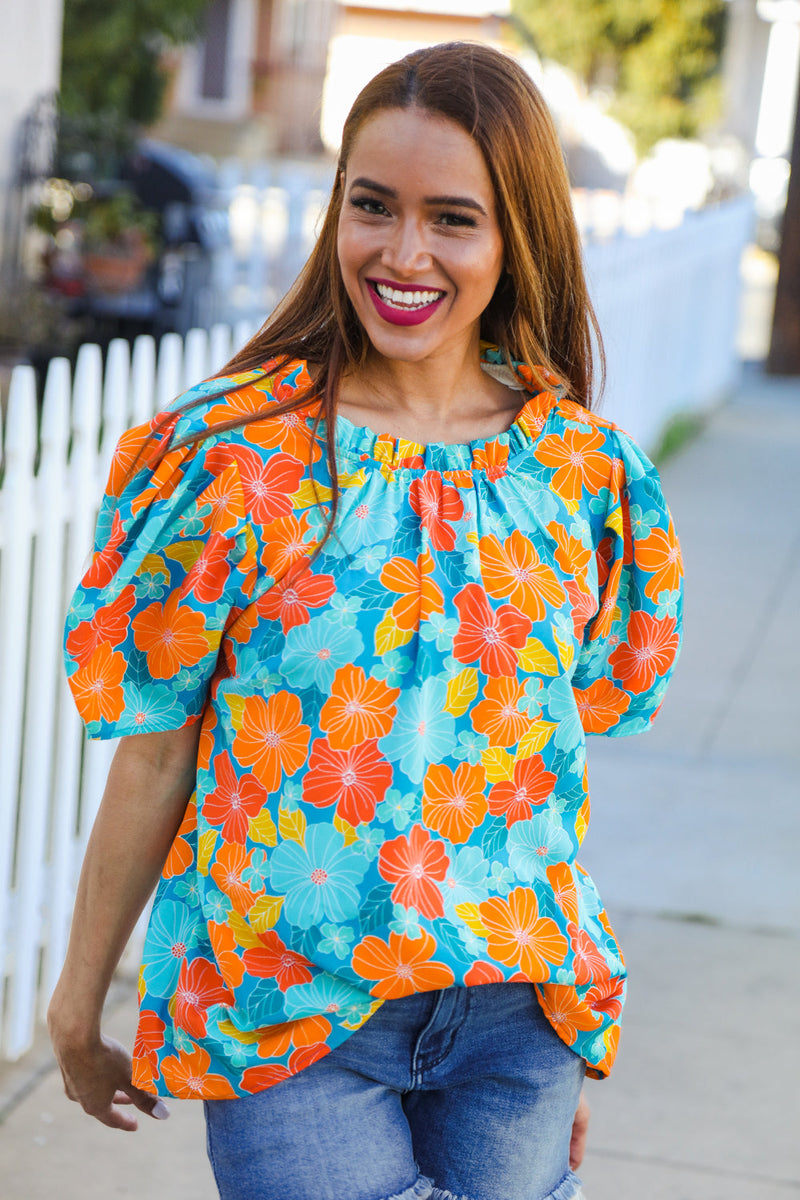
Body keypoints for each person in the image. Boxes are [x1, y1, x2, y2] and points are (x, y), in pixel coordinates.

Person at [49, 41, 683, 1200]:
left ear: (513, 238)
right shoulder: (235, 458)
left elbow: (538, 768)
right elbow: (156, 752)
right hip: (287, 1019)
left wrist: (564, 1039)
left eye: (452, 219)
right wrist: (79, 999)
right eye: (371, 207)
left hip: (515, 1024)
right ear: (333, 208)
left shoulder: (580, 473)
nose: (401, 255)